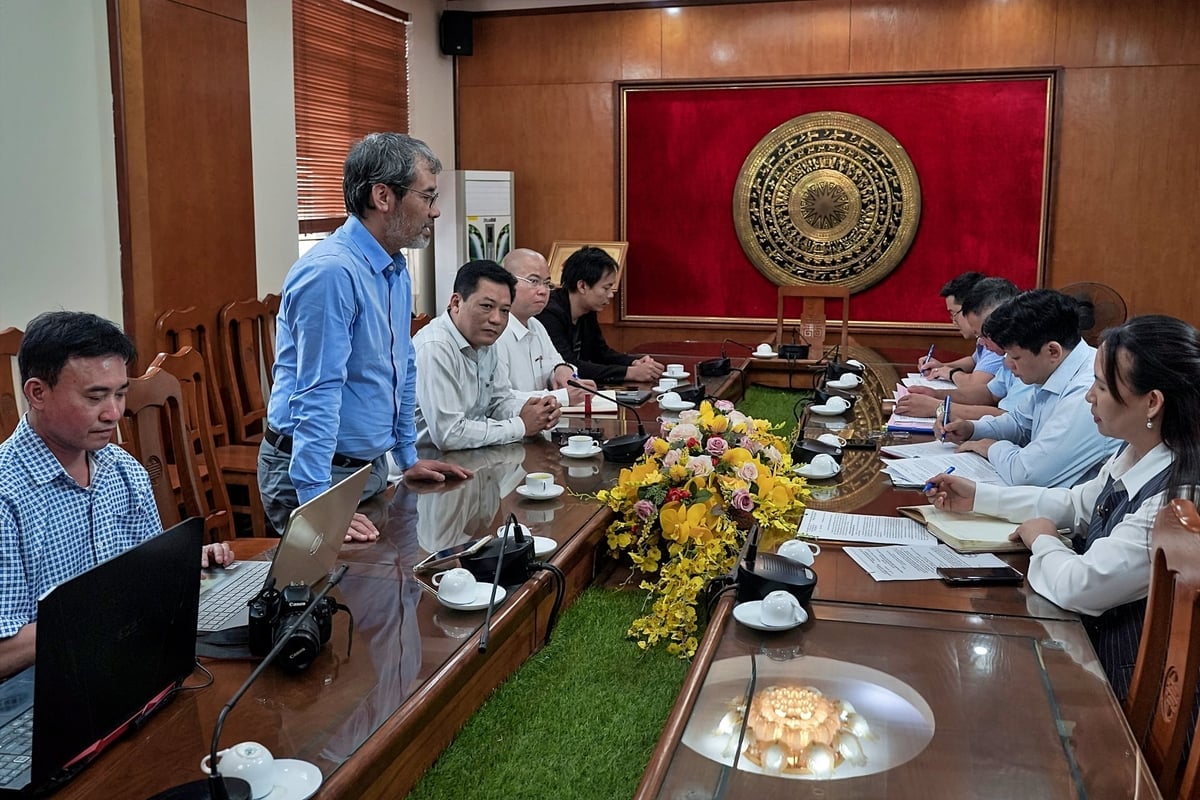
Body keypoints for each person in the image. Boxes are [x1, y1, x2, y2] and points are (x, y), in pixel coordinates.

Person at [926, 314, 1200, 701]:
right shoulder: (1140, 450)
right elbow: (1079, 503)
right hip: (1095, 654)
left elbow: (1081, 586)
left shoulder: (1178, 495)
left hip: (1126, 687)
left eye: (1102, 386)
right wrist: (979, 497)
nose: (1089, 396)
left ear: (1152, 402)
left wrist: (1044, 540)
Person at [259, 133, 470, 543]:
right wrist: (317, 503)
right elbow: (317, 393)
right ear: (382, 196)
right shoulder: (331, 273)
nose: (436, 211)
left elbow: (401, 366)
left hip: (366, 466)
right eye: (427, 197)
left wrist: (408, 457)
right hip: (317, 475)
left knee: (383, 597)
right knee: (335, 600)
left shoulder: (391, 264)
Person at [0, 311, 233, 679]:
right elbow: (3, 652)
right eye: (96, 397)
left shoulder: (121, 468)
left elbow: (142, 573)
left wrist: (181, 565)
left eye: (120, 394)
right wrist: (106, 613)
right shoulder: (7, 496)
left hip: (126, 661)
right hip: (45, 686)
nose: (114, 413)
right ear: (38, 393)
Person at [938, 289, 1119, 488]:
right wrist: (972, 429)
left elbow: (1028, 474)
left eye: (1015, 357)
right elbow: (1020, 423)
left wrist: (991, 447)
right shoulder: (1054, 371)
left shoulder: (1086, 394)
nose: (1007, 364)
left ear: (1052, 351)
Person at [413, 260, 561, 451]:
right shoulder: (435, 347)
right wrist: (521, 425)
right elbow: (449, 434)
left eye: (505, 310)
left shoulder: (486, 342)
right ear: (456, 303)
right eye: (486, 306)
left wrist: (535, 411)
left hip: (473, 457)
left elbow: (498, 402)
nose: (496, 319)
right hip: (429, 469)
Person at [897, 278, 1032, 419]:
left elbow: (1012, 420)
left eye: (986, 335)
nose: (981, 342)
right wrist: (935, 394)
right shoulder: (1007, 356)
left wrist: (939, 408)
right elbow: (990, 393)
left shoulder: (1031, 357)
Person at [536, 246, 664, 384]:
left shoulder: (588, 310)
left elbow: (601, 353)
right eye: (606, 288)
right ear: (582, 286)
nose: (610, 295)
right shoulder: (549, 313)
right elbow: (568, 364)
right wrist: (629, 373)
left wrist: (634, 362)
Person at [495, 248, 595, 406]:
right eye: (534, 281)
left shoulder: (536, 324)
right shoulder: (494, 332)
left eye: (547, 283)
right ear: (506, 282)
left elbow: (556, 363)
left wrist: (561, 369)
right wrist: (562, 397)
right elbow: (499, 399)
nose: (543, 291)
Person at [917, 271, 1004, 389]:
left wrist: (950, 373)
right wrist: (941, 367)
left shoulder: (995, 341)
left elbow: (975, 386)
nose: (953, 321)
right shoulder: (983, 338)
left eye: (954, 313)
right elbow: (974, 361)